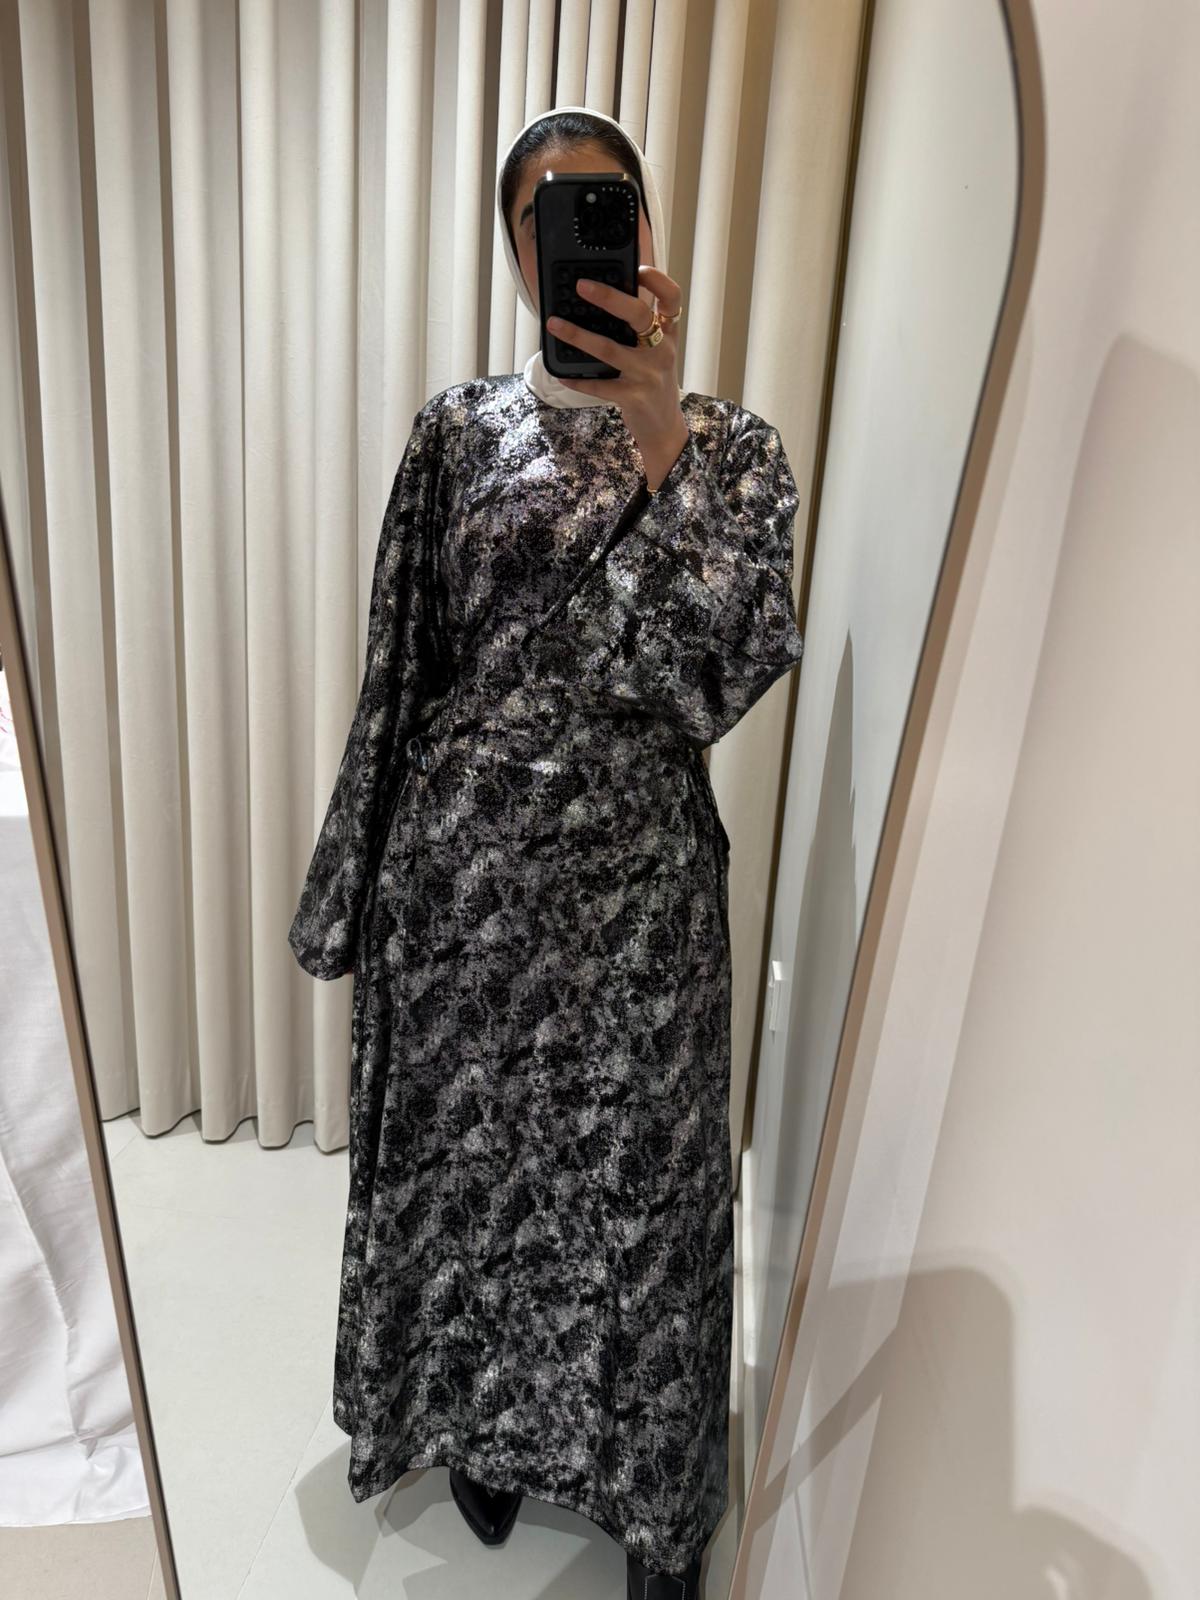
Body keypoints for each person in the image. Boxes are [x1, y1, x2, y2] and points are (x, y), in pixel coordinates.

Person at [288, 105, 805, 1598]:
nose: (579, 235)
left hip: (642, 905)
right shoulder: (457, 434)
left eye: (608, 206)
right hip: (465, 893)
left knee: (645, 1203)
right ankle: (484, 1431)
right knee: (480, 1179)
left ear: (644, 234)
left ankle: (655, 1510)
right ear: (518, 253)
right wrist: (354, 890)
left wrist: (660, 440)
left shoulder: (734, 451)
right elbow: (402, 668)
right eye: (547, 215)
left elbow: (726, 673)